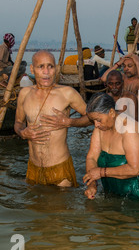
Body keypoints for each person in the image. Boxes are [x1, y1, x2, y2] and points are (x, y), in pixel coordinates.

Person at [14, 50, 91, 187]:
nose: (46, 72)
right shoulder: (25, 94)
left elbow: (92, 117)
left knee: (61, 206)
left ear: (56, 68)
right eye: (41, 67)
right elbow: (18, 123)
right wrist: (22, 132)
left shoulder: (67, 93)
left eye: (50, 66)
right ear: (32, 69)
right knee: (33, 206)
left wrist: (69, 122)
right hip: (34, 167)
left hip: (60, 168)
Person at [83, 92, 139, 200]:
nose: (96, 124)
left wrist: (101, 172)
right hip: (115, 184)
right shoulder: (100, 128)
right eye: (93, 121)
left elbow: (136, 169)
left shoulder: (129, 129)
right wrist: (92, 183)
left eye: (98, 120)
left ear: (111, 112)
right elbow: (92, 157)